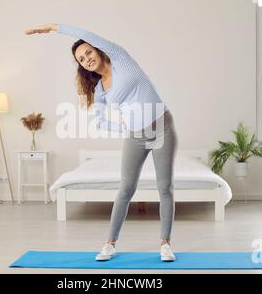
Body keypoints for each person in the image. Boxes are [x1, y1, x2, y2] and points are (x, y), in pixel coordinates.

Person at [25, 23, 178, 262]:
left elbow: (85, 34)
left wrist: (52, 27)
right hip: (135, 136)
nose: (86, 59)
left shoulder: (120, 59)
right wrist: (122, 127)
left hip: (162, 129)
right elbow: (100, 122)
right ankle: (110, 244)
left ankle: (165, 244)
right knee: (125, 189)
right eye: (81, 59)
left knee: (164, 188)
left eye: (88, 53)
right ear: (81, 65)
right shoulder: (99, 91)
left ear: (97, 50)